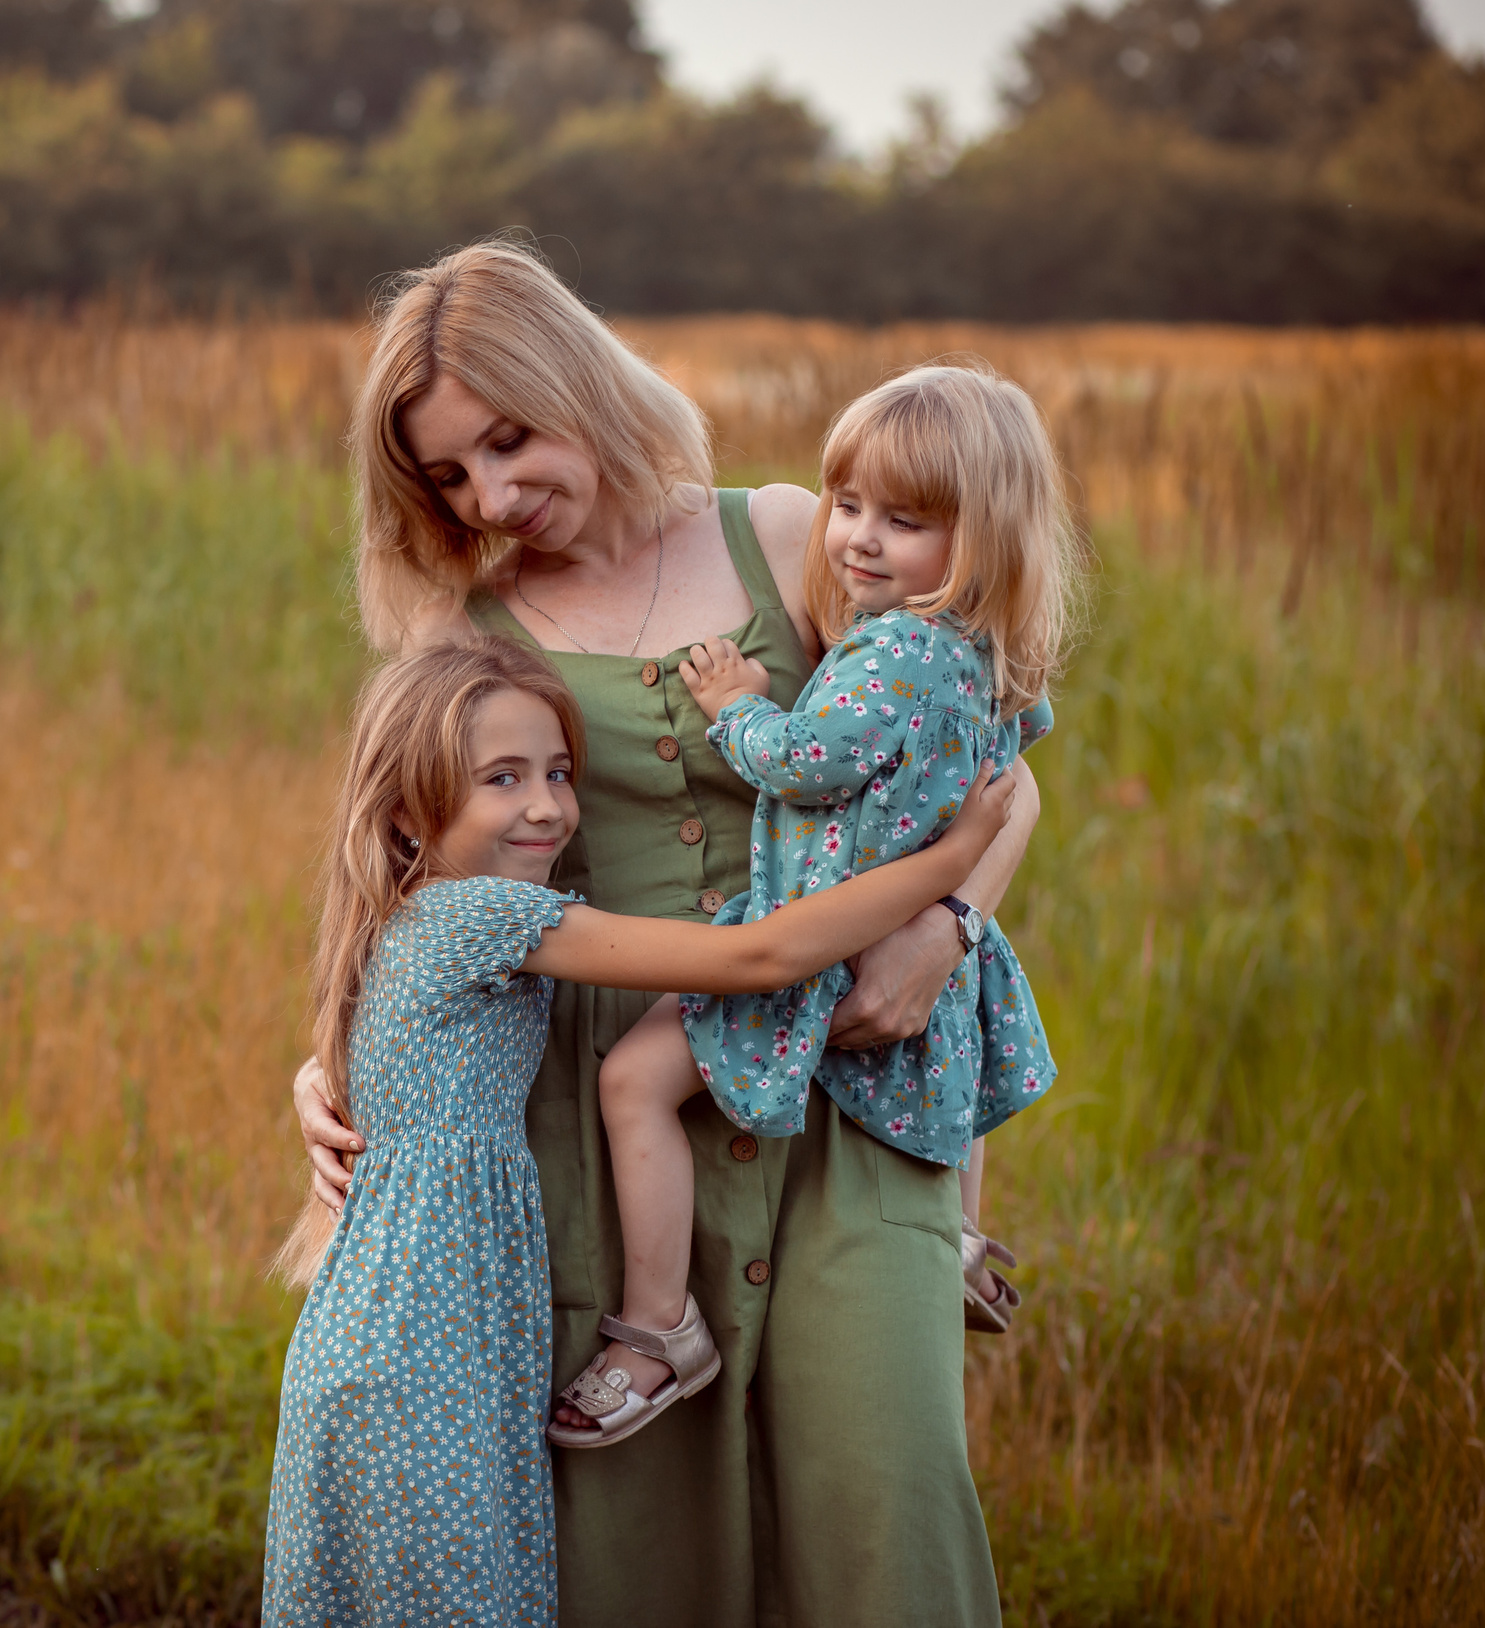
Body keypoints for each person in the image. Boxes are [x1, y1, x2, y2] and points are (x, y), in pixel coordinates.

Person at [292, 241, 1042, 1625]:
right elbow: (402, 876)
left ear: (576, 381)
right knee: (644, 1557)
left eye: (508, 441)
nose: (492, 497)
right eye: (449, 476)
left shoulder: (791, 535)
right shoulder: (465, 632)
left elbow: (1000, 774)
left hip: (848, 1093)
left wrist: (946, 924)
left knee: (888, 1511)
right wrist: (327, 1070)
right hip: (605, 1127)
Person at [262, 636, 1020, 1626]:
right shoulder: (478, 917)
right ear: (408, 810)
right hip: (415, 1357)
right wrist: (953, 863)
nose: (547, 806)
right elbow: (757, 958)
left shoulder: (404, 917)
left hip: (411, 1339)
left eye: (559, 773)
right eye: (503, 779)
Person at [557, 361, 1080, 1449]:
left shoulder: (889, 654)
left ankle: (657, 1328)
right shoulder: (986, 653)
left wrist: (737, 706)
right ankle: (960, 1240)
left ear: (983, 538)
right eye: (847, 506)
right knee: (947, 1073)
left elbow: (801, 764)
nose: (858, 540)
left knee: (633, 1081)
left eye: (906, 522)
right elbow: (1011, 756)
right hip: (912, 938)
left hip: (817, 937)